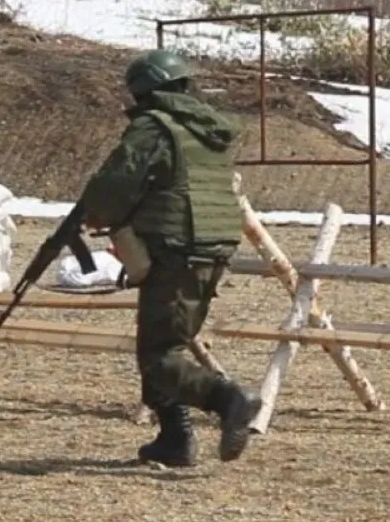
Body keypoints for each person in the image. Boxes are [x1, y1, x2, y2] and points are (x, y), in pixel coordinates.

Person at [79, 48, 262, 468]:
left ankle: (228, 399)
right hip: (211, 247)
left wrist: (96, 214)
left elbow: (114, 186)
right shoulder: (206, 129)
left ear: (143, 91)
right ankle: (174, 438)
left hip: (176, 249)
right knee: (164, 345)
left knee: (160, 357)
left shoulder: (154, 127)